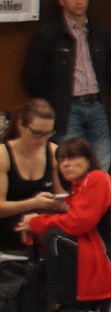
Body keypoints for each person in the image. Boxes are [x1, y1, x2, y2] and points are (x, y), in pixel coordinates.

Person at [19, 137, 111, 312]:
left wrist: (36, 222)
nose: (66, 164)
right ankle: (98, 299)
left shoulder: (97, 178)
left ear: (89, 160)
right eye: (61, 160)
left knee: (56, 237)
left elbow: (79, 222)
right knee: (52, 233)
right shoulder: (81, 187)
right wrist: (37, 221)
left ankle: (73, 308)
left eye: (73, 157)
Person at [20, 0, 111, 174]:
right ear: (62, 1)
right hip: (67, 108)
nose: (79, 2)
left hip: (97, 104)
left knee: (102, 161)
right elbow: (31, 75)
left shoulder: (99, 33)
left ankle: (95, 193)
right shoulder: (48, 34)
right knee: (72, 162)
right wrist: (52, 100)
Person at [2, 98, 64, 258]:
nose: (42, 140)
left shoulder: (53, 152)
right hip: (9, 224)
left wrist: (62, 203)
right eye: (37, 133)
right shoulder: (3, 155)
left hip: (40, 220)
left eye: (48, 134)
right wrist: (33, 203)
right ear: (21, 125)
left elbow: (62, 197)